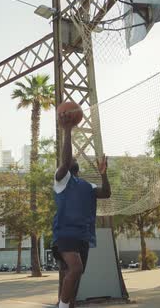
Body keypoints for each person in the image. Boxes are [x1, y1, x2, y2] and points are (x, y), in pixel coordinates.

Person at [52, 110, 111, 308]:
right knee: (75, 269)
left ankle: (69, 304)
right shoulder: (61, 179)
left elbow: (106, 193)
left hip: (83, 235)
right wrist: (67, 131)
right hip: (65, 233)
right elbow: (66, 161)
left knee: (75, 275)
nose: (71, 160)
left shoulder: (87, 186)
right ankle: (61, 305)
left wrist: (103, 174)